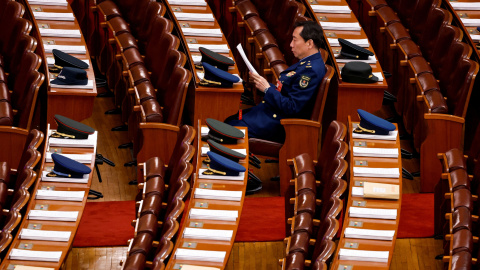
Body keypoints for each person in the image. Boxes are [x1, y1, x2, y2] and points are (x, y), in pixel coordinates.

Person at [226, 21, 326, 142]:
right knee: (229, 120)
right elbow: (286, 91)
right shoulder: (308, 61)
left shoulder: (311, 71)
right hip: (270, 112)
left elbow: (292, 107)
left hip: (277, 124)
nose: (291, 45)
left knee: (229, 129)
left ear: (309, 43)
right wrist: (263, 85)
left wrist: (267, 89)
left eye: (295, 40)